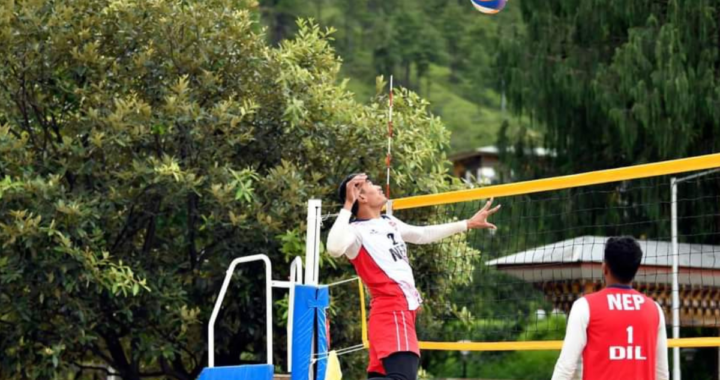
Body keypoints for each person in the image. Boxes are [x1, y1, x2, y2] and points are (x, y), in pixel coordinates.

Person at [327, 173, 501, 380]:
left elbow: (422, 235)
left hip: (401, 312)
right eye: (371, 184)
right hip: (392, 310)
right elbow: (334, 248)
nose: (379, 186)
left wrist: (467, 224)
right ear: (361, 197)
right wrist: (348, 204)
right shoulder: (355, 232)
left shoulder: (389, 222)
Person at [551, 236, 669, 380]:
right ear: (635, 270)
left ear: (605, 268)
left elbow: (565, 368)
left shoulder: (585, 307)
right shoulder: (654, 310)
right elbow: (661, 374)